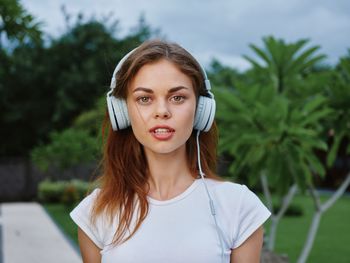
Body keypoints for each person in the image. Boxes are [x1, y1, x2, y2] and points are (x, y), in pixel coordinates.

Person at [70, 39, 271, 263]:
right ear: (122, 111)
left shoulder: (239, 206)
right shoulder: (95, 213)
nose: (162, 111)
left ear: (201, 109)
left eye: (177, 98)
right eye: (144, 99)